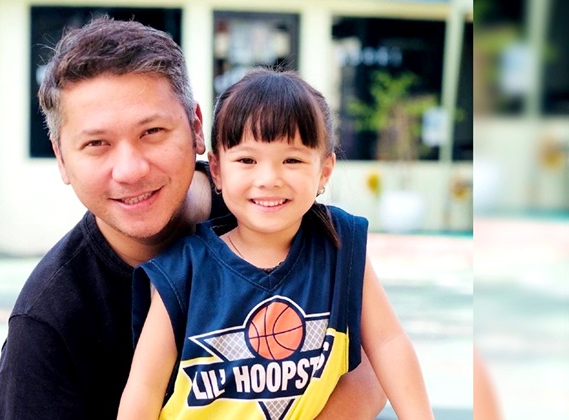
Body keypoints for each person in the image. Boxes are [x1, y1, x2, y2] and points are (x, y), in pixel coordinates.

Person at [0, 16, 385, 419]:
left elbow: (370, 371)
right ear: (62, 158)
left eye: (152, 132)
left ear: (197, 128)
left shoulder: (265, 203)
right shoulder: (46, 324)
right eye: (97, 143)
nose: (130, 170)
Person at [118, 69, 433, 420]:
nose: (269, 179)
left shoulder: (339, 245)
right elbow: (144, 388)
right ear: (217, 170)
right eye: (247, 160)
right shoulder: (183, 272)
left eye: (292, 160)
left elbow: (388, 343)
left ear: (324, 171)